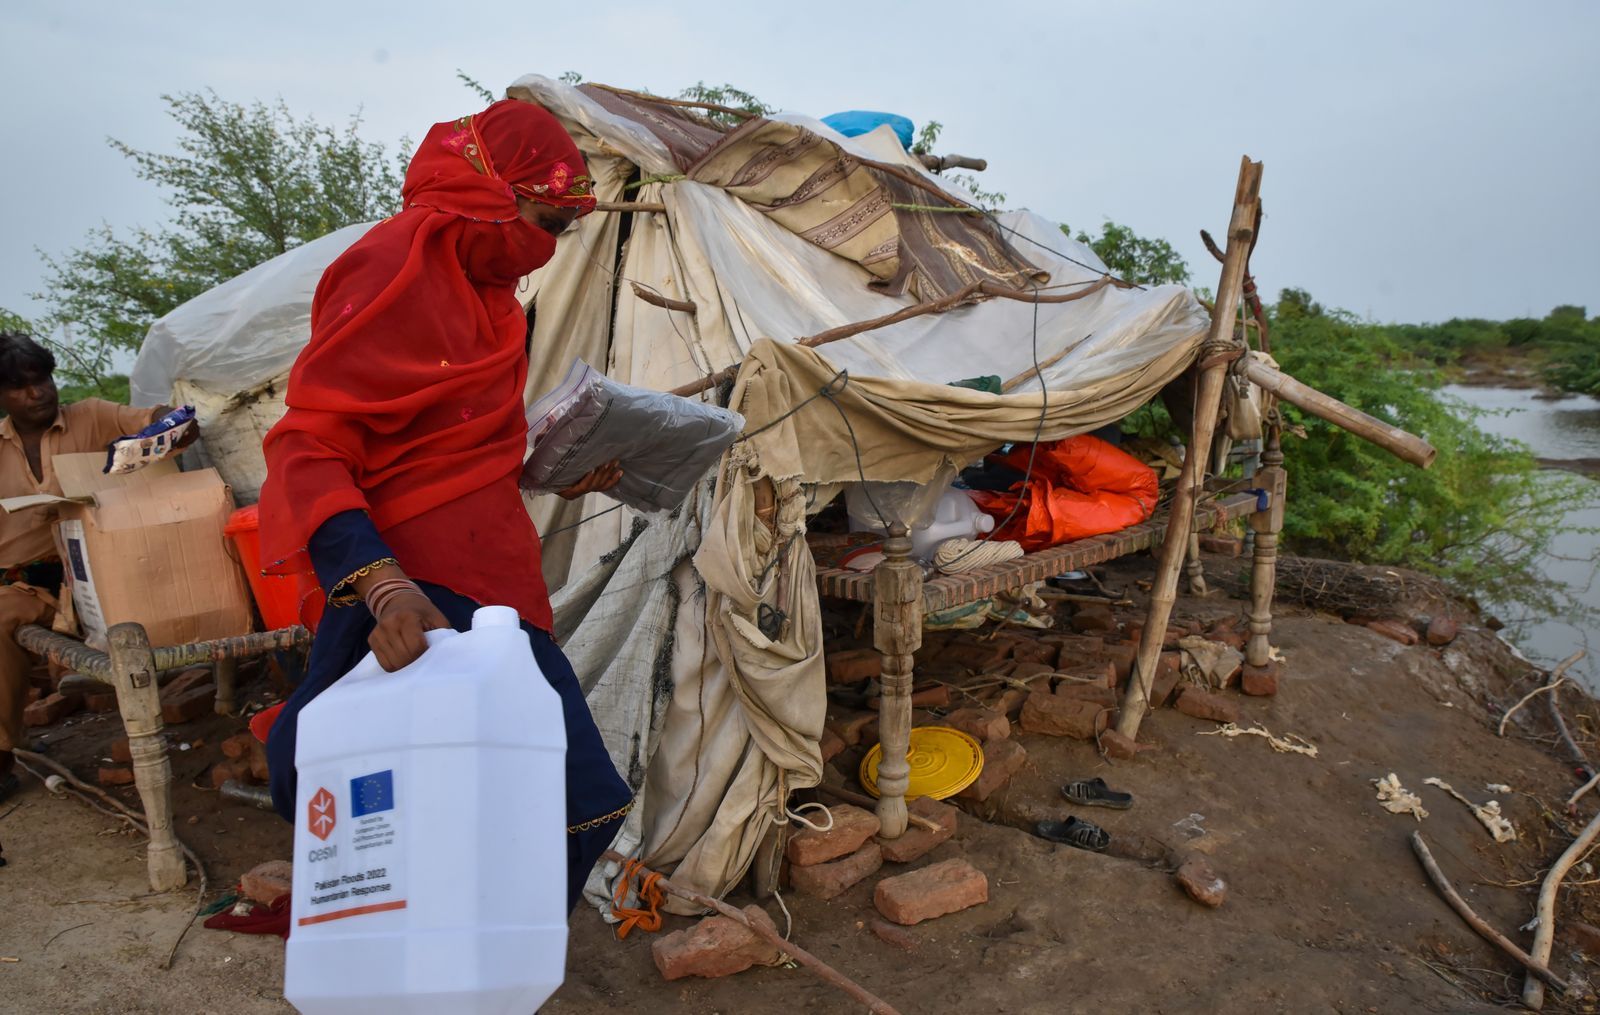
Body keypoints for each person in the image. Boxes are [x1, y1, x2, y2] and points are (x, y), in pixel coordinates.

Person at [258, 99, 632, 912]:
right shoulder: (391, 266)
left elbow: (450, 444)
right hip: (416, 593)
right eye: (543, 221)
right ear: (489, 192)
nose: (545, 250)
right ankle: (441, 966)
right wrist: (383, 584)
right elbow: (313, 441)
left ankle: (475, 966)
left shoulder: (494, 297)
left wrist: (549, 469)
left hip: (495, 574)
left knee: (508, 802)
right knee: (560, 797)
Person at [0, 332, 194, 803]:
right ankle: (3, 755)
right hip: (24, 584)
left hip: (98, 570)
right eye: (22, 386)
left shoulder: (90, 415)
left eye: (43, 379)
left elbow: (165, 422)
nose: (38, 392)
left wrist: (166, 433)